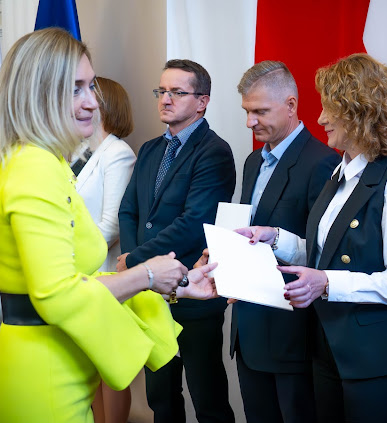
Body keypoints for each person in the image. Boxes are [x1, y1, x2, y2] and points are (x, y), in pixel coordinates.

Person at [0, 28, 219, 423]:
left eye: (91, 87)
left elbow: (81, 280)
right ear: (39, 93)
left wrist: (177, 284)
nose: (91, 102)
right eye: (75, 89)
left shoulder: (48, 162)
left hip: (61, 367)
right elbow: (60, 295)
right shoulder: (35, 166)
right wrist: (148, 273)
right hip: (44, 375)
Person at [236, 53, 387, 422]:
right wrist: (272, 237)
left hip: (375, 358)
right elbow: (323, 254)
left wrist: (326, 283)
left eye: (330, 109)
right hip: (330, 348)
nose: (321, 118)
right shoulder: (341, 174)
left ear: (359, 112)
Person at [118, 59, 236, 423]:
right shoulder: (150, 149)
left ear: (202, 101)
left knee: (207, 398)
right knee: (161, 398)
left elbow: (194, 223)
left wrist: (134, 260)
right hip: (152, 293)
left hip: (193, 290)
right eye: (162, 91)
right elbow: (129, 211)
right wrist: (134, 261)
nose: (165, 99)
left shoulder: (214, 151)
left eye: (177, 92)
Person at [230, 61, 340, 423]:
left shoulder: (322, 163)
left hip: (291, 335)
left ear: (291, 105)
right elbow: (250, 231)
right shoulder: (252, 161)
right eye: (247, 111)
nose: (250, 122)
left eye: (260, 111)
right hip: (248, 326)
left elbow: (323, 251)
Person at [70, 76, 136, 423]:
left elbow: (112, 224)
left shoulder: (118, 153)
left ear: (104, 105)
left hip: (104, 270)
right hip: (79, 273)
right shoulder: (78, 152)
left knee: (109, 369)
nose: (79, 103)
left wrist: (73, 253)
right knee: (88, 366)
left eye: (87, 94)